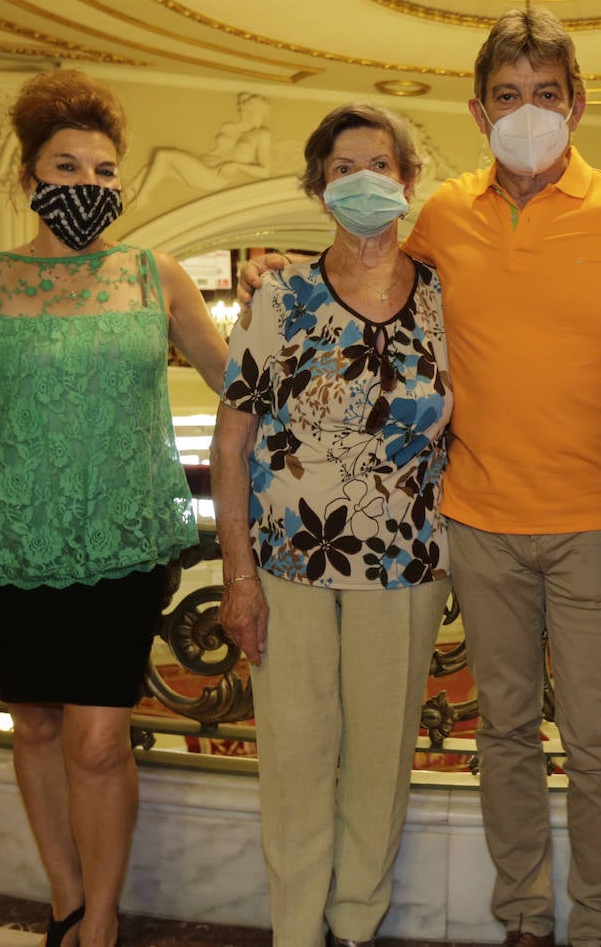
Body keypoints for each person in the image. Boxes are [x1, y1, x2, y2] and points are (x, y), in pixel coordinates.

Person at [238, 8, 601, 947]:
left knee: (596, 746)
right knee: (504, 737)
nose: (528, 112)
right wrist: (273, 266)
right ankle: (523, 918)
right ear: (477, 109)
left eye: (546, 94)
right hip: (475, 519)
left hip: (599, 520)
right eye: (508, 96)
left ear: (578, 104)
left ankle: (600, 928)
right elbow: (361, 274)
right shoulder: (442, 215)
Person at [0, 68, 228, 947]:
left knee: (97, 739)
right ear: (30, 180)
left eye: (103, 170)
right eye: (68, 167)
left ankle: (103, 921)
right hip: (8, 542)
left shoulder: (154, 276)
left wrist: (309, 327)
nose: (89, 186)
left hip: (125, 540)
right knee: (38, 725)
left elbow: (236, 383)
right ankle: (65, 900)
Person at [211, 102, 453, 947]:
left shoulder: (444, 301)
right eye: (343, 168)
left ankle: (355, 929)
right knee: (297, 760)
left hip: (407, 568)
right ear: (320, 188)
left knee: (381, 766)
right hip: (287, 571)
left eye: (379, 165)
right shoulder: (279, 296)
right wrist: (237, 576)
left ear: (409, 180)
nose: (363, 182)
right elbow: (231, 444)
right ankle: (295, 933)